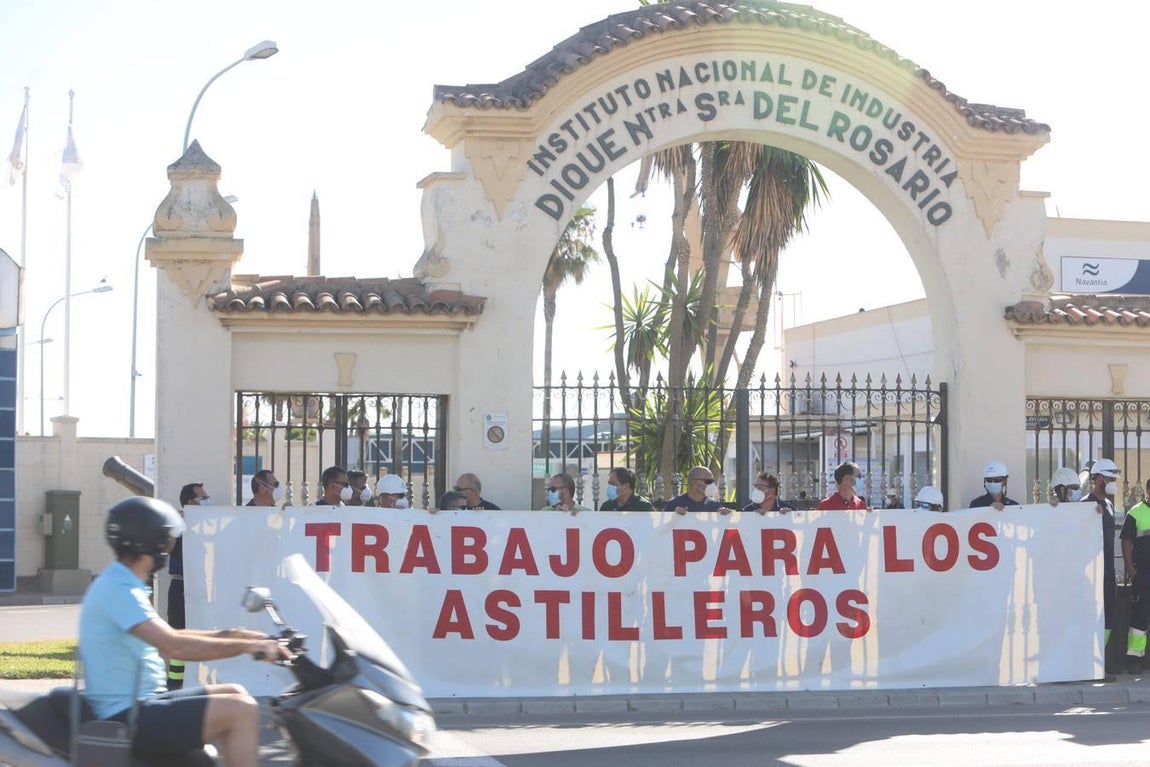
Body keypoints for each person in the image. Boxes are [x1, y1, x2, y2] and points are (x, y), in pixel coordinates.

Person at [79, 496, 290, 766]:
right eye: (166, 537)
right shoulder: (118, 588)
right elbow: (173, 646)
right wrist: (247, 647)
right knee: (242, 711)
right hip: (126, 714)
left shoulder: (123, 582)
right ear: (150, 541)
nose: (170, 545)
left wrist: (251, 637)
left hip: (143, 703)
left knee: (237, 692)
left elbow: (173, 635)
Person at [167, 482, 209, 690]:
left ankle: (197, 680)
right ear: (190, 502)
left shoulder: (208, 525)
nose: (207, 501)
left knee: (200, 634)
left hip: (202, 587)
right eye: (203, 498)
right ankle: (176, 683)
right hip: (180, 585)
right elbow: (167, 549)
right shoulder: (178, 525)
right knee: (180, 634)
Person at [1084, 458, 1121, 661]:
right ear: (1099, 479)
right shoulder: (1086, 504)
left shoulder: (1108, 504)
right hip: (1092, 573)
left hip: (1108, 571)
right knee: (1093, 617)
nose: (1113, 481)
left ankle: (1099, 660)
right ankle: (1090, 662)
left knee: (1107, 618)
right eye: (1110, 477)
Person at [1121, 478, 1150, 674]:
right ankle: (1134, 659)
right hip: (1144, 573)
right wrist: (1131, 570)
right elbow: (1126, 541)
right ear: (1148, 490)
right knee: (1140, 615)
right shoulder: (1135, 512)